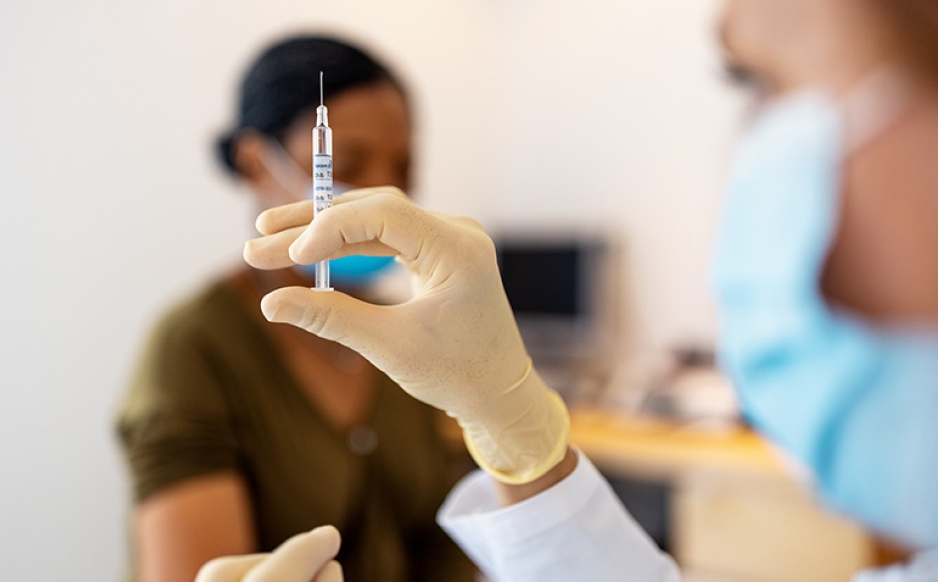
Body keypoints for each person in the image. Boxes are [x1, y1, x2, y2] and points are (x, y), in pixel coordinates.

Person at [199, 0, 938, 579]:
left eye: (755, 78)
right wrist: (517, 431)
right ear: (254, 162)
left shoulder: (395, 343)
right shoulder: (205, 348)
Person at [116, 35, 473, 582]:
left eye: (402, 167)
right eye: (347, 163)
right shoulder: (193, 347)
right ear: (255, 163)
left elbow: (440, 543)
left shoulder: (403, 333)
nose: (384, 194)